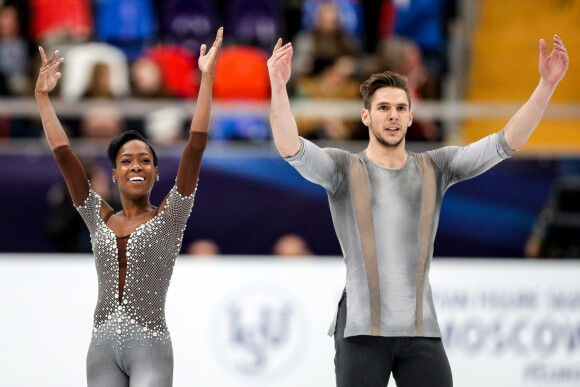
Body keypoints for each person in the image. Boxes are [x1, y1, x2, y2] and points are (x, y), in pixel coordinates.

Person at [267, 34, 568, 386]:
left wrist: (546, 86)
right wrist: (278, 87)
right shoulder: (343, 169)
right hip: (361, 330)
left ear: (411, 117)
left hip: (420, 330)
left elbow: (504, 143)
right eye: (383, 108)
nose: (392, 116)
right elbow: (290, 147)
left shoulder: (435, 167)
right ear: (366, 116)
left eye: (400, 108)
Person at [35, 27, 223, 386]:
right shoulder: (97, 217)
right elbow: (64, 155)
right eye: (126, 161)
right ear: (115, 174)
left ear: (154, 174)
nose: (136, 165)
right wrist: (43, 99)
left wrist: (206, 78)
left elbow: (195, 147)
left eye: (144, 160)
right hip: (101, 348)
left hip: (149, 347)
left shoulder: (171, 217)